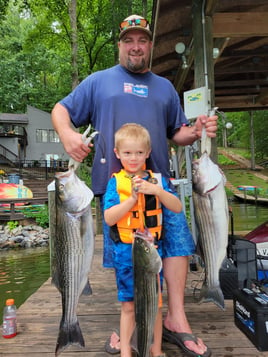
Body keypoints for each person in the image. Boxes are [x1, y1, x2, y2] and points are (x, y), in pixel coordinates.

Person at [51, 14, 217, 357]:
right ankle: (130, 319)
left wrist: (197, 130)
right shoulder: (99, 82)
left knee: (177, 247)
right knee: (127, 256)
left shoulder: (165, 88)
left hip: (159, 183)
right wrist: (68, 135)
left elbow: (177, 133)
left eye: (142, 40)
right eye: (129, 40)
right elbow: (60, 110)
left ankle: (176, 319)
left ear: (151, 46)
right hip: (117, 189)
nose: (136, 46)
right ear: (120, 45)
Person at [104, 123, 182, 357]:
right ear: (118, 154)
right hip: (127, 253)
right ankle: (126, 352)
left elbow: (177, 207)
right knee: (128, 305)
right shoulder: (115, 183)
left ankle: (155, 351)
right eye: (127, 153)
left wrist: (157, 191)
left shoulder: (156, 180)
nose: (134, 158)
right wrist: (131, 200)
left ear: (147, 152)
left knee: (155, 305)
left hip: (151, 254)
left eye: (139, 152)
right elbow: (109, 218)